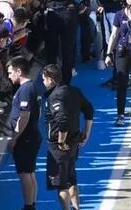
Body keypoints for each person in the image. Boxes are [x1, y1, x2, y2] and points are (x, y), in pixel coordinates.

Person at [42, 64, 93, 210]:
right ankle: (77, 208)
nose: (43, 83)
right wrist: (86, 133)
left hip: (59, 148)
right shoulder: (73, 91)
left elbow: (62, 120)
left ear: (51, 80)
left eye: (44, 80)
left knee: (61, 184)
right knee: (71, 179)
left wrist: (61, 141)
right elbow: (88, 109)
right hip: (74, 141)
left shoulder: (55, 96)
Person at [7, 56, 41, 210]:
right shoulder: (30, 87)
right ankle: (31, 204)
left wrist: (15, 137)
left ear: (18, 71)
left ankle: (28, 206)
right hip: (30, 135)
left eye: (10, 73)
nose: (9, 76)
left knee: (24, 173)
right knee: (30, 171)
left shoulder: (26, 89)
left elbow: (24, 115)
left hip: (25, 137)